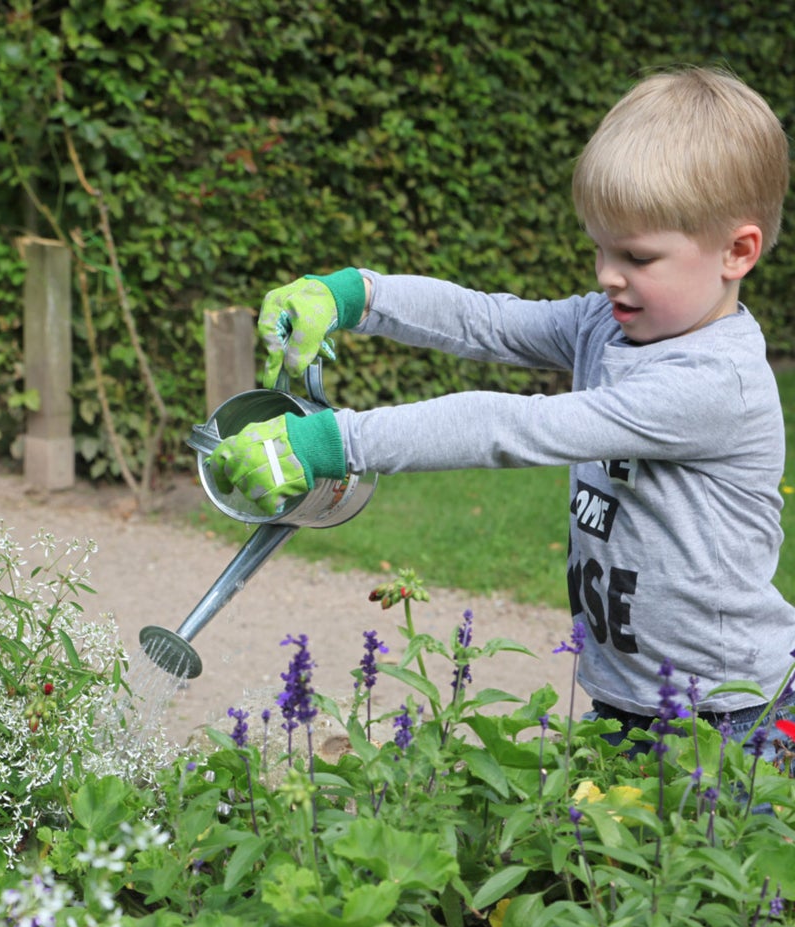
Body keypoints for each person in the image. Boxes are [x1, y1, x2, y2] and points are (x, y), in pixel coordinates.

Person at [209, 66, 795, 759]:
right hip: (624, 699)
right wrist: (353, 295)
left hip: (729, 720)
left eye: (637, 256)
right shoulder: (609, 323)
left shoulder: (714, 382)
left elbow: (515, 427)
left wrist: (336, 439)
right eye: (599, 248)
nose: (608, 275)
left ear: (738, 252)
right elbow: (486, 320)